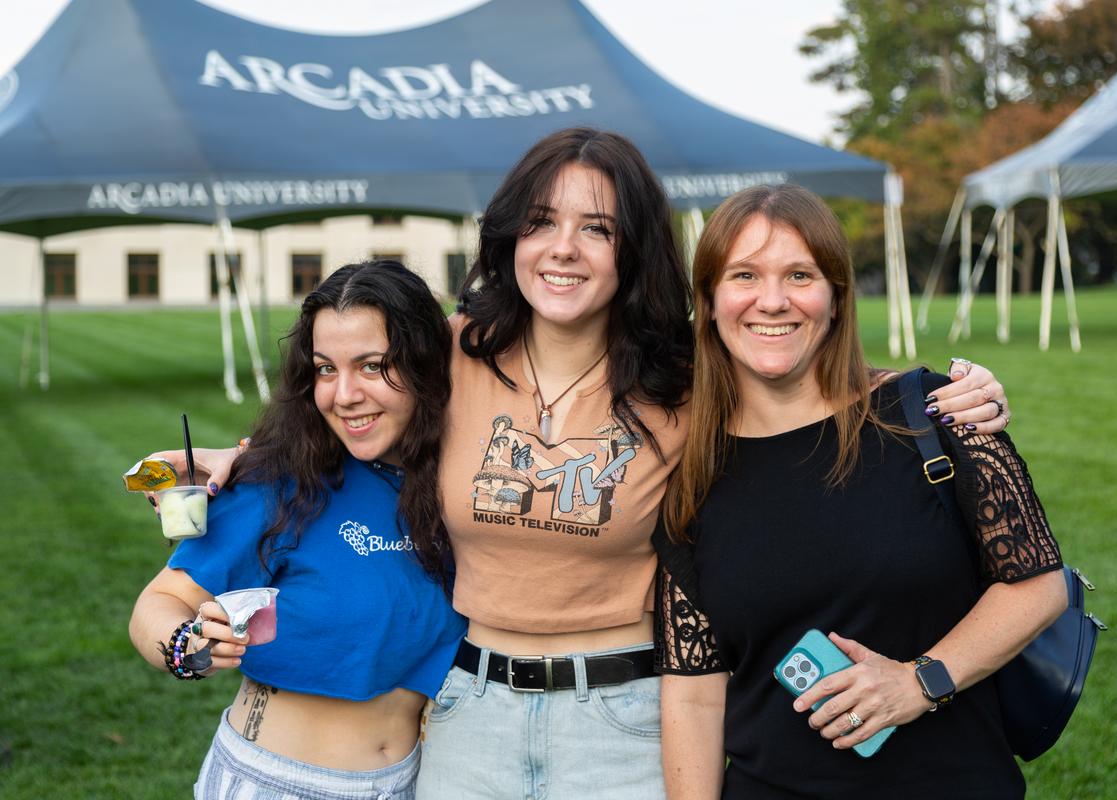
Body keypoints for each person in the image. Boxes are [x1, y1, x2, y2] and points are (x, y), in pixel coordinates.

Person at [145, 129, 1013, 798]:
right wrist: (238, 457)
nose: (564, 248)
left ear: (630, 250)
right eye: (542, 223)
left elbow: (797, 364)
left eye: (596, 228)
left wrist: (942, 391)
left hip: (627, 720)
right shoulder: (453, 352)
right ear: (510, 238)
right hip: (466, 717)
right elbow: (347, 402)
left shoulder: (683, 378)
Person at [654, 184, 1067, 799]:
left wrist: (917, 683)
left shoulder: (930, 413)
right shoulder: (691, 473)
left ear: (837, 299)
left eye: (800, 274)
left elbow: (1039, 584)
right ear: (709, 300)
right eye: (744, 275)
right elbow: (693, 693)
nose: (772, 301)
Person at [128, 261, 466, 800]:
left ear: (426, 364)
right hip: (283, 783)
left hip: (411, 782)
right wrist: (184, 644)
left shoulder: (464, 486)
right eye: (325, 369)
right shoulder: (283, 483)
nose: (343, 394)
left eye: (373, 365)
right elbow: (162, 599)